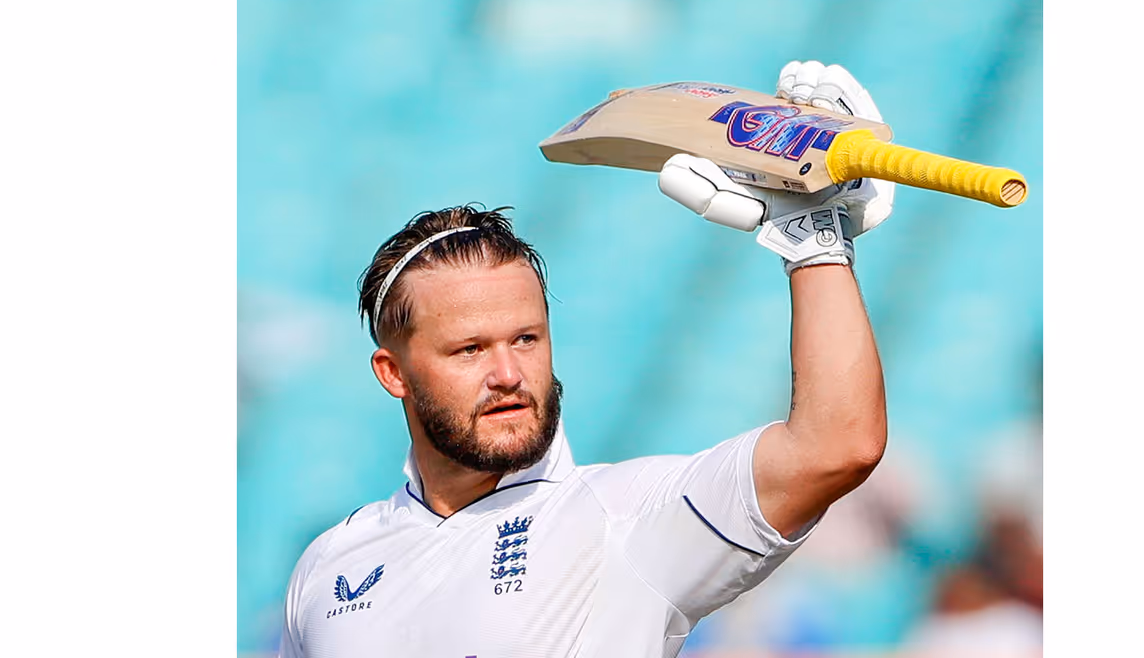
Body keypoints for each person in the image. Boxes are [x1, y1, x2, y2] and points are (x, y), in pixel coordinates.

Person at [277, 60, 896, 658]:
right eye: (470, 349)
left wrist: (815, 245)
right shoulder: (330, 566)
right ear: (393, 374)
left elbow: (837, 446)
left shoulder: (623, 519)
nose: (509, 375)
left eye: (526, 339)